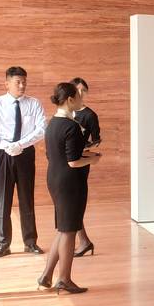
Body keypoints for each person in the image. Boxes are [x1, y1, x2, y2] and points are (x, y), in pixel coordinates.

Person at [0, 66, 47, 257]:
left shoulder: (34, 104)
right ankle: (3, 244)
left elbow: (42, 129)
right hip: (3, 154)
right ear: (7, 84)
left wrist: (20, 144)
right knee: (3, 199)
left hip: (25, 153)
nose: (22, 85)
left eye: (24, 82)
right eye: (18, 82)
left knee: (27, 198)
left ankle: (30, 242)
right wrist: (5, 145)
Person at [38, 82, 100, 295]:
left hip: (54, 178)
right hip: (69, 182)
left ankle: (47, 275)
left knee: (63, 229)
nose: (82, 99)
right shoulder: (71, 126)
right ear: (70, 100)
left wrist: (84, 155)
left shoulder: (52, 123)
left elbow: (57, 153)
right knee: (70, 230)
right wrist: (93, 159)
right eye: (79, 96)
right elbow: (73, 161)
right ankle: (64, 279)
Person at [69, 77, 99, 257]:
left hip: (80, 162)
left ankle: (81, 241)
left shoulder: (89, 115)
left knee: (75, 203)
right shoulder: (66, 112)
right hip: (66, 162)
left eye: (84, 91)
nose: (81, 93)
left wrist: (82, 148)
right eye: (77, 90)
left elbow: (96, 140)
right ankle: (83, 241)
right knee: (70, 204)